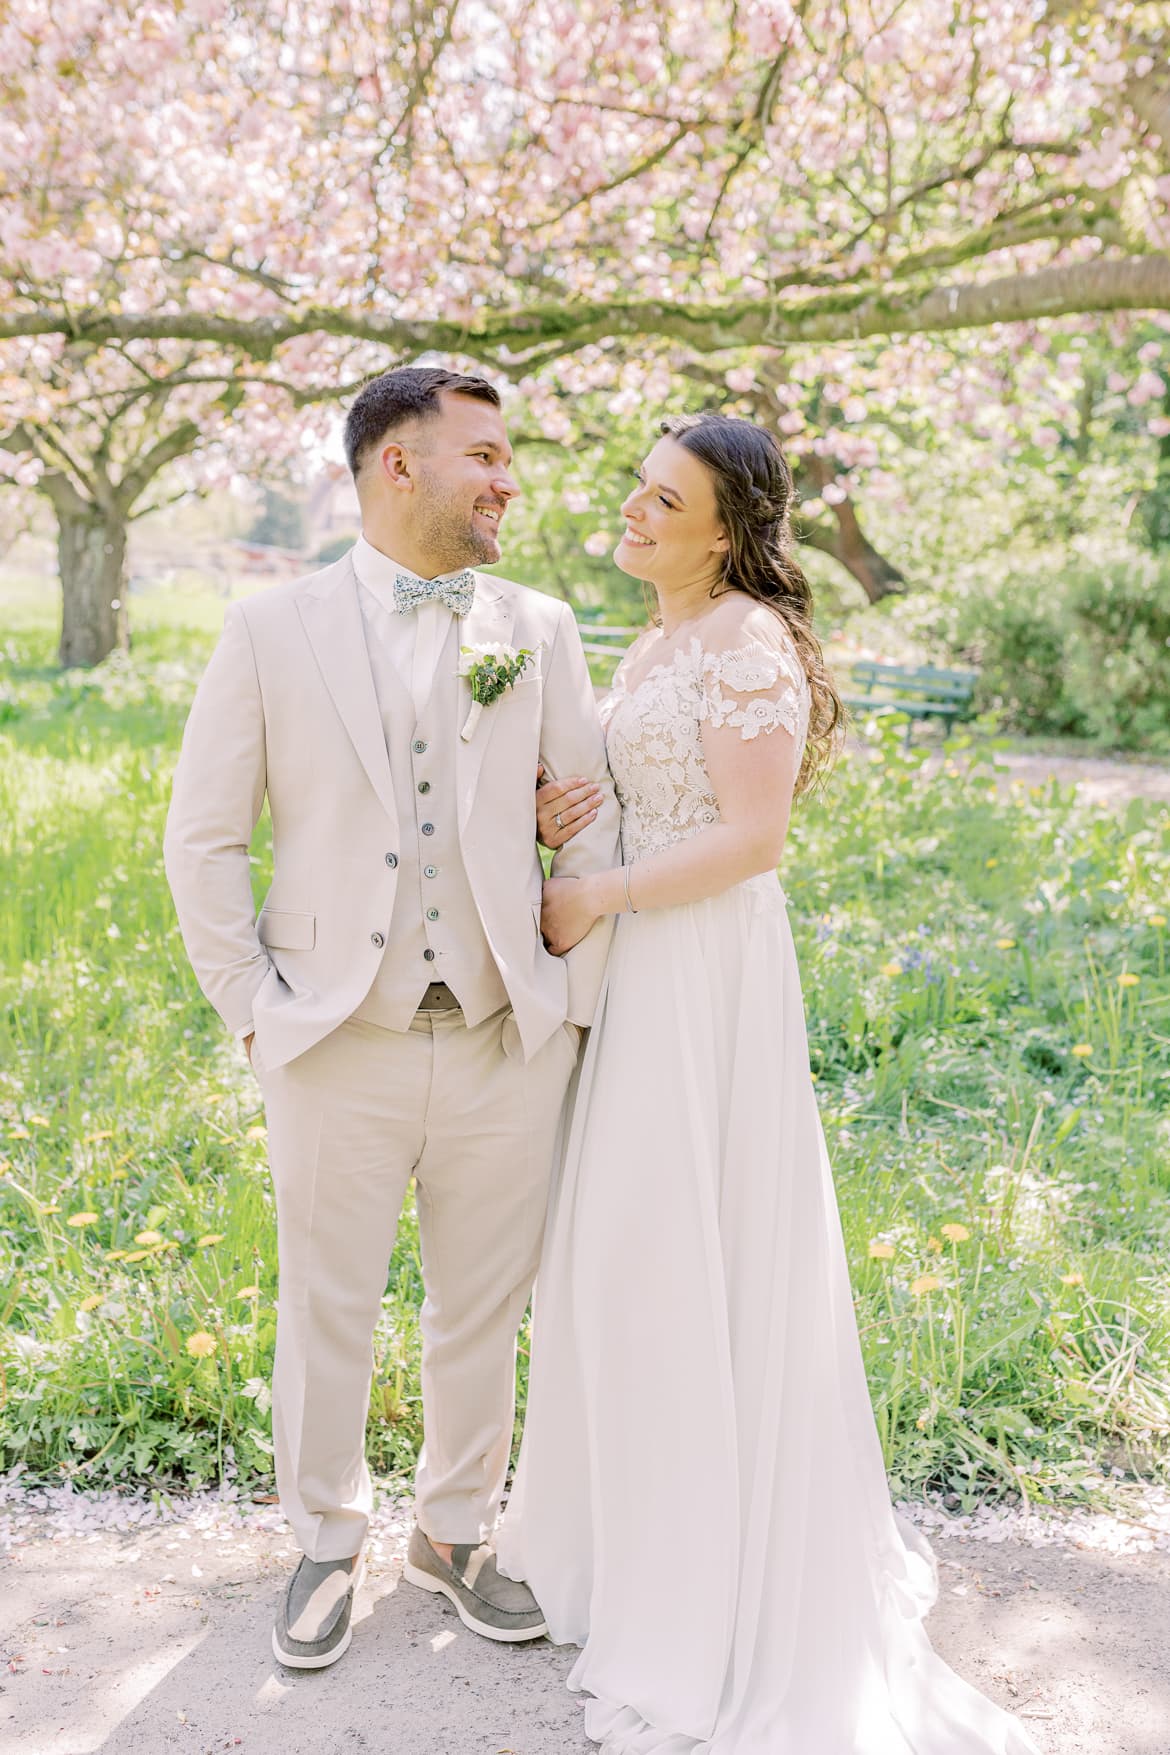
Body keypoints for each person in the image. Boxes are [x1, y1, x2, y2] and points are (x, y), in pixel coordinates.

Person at [496, 414, 1041, 1754]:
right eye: (638, 487)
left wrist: (594, 896)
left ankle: (710, 1578)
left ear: (727, 531)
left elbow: (752, 838)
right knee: (624, 1251)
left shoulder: (748, 644)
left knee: (691, 1248)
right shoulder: (660, 638)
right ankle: (621, 1543)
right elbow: (652, 791)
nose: (634, 510)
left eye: (663, 499)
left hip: (702, 980)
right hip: (641, 970)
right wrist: (574, 822)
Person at [164, 366, 620, 1670]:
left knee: (483, 1309)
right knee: (328, 1305)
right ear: (397, 465)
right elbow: (203, 839)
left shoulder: (539, 626)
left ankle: (455, 1532)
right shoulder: (270, 629)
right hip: (331, 1035)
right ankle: (323, 1539)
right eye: (485, 455)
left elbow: (590, 820)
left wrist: (568, 1004)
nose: (508, 480)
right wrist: (255, 1013)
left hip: (501, 1031)